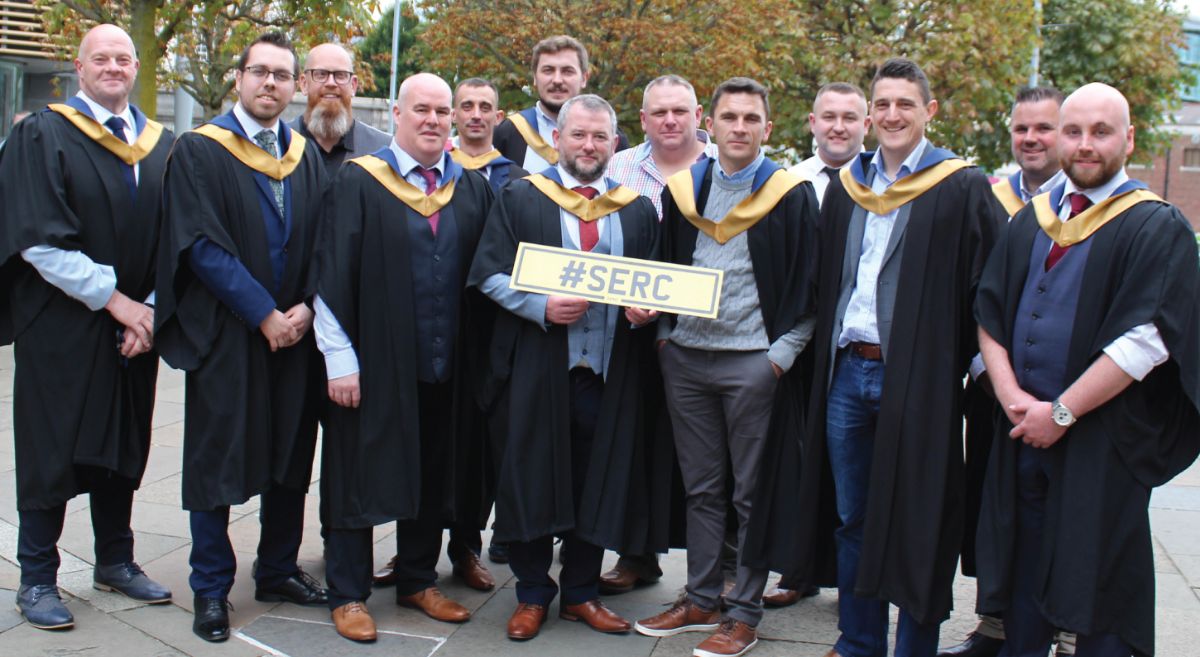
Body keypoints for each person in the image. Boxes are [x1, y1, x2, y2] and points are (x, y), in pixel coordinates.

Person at [974, 82, 1199, 657]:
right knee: (1022, 572)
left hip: (1102, 440)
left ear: (1129, 138)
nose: (1085, 144)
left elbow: (1146, 341)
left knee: (1099, 581)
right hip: (1022, 429)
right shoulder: (1032, 220)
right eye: (1073, 131)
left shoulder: (1156, 225)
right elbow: (989, 311)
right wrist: (1010, 397)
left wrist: (1063, 411)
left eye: (1101, 132)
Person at [788, 58, 1003, 657]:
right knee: (853, 517)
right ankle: (858, 642)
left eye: (905, 104)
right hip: (847, 375)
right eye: (881, 104)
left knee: (918, 519)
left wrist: (977, 374)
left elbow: (989, 291)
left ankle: (914, 646)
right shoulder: (847, 189)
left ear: (929, 111)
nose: (891, 115)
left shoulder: (961, 187)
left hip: (922, 382)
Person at [633, 77, 819, 657]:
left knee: (751, 494)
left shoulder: (789, 194)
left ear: (768, 127)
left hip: (752, 364)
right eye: (730, 117)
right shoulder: (685, 189)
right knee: (702, 489)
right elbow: (663, 267)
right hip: (686, 360)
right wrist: (665, 338)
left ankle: (745, 611)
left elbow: (811, 286)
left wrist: (778, 359)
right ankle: (702, 595)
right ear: (709, 126)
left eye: (751, 118)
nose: (740, 128)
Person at [155, 31, 329, 643]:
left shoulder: (304, 155)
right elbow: (200, 244)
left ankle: (279, 567)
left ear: (295, 85)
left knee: (289, 457)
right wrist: (263, 313)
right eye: (261, 72)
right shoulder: (200, 151)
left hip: (294, 336)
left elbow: (320, 243)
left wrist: (305, 306)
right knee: (218, 461)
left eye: (283, 74)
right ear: (239, 77)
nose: (271, 84)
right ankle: (210, 587)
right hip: (229, 335)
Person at [0, 23, 173, 631]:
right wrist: (119, 303)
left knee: (125, 441)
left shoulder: (160, 144)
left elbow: (173, 240)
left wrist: (148, 307)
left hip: (136, 328)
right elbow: (38, 241)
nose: (113, 66)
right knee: (51, 447)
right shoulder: (43, 134)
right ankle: (37, 577)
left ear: (134, 67)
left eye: (123, 57)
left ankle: (116, 560)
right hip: (62, 328)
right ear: (80, 67)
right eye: (101, 58)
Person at [468, 93, 659, 641]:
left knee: (597, 479)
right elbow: (488, 273)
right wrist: (540, 306)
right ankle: (531, 593)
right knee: (529, 476)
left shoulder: (636, 209)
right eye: (578, 135)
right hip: (537, 365)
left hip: (608, 371)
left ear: (614, 144)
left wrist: (646, 314)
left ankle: (580, 592)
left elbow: (655, 285)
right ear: (558, 139)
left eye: (600, 137)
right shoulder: (520, 197)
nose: (589, 145)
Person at [314, 72, 496, 641]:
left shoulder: (470, 187)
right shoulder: (358, 181)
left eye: (443, 111)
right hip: (374, 364)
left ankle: (419, 578)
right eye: (422, 109)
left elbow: (489, 274)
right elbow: (327, 276)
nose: (435, 120)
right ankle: (348, 592)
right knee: (355, 472)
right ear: (397, 113)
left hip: (446, 364)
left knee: (432, 471)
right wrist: (339, 359)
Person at [940, 85, 1071, 657]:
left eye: (1044, 127)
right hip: (996, 391)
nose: (1032, 138)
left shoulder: (1094, 206)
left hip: (1068, 397)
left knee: (1068, 515)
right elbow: (973, 292)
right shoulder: (992, 199)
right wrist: (986, 372)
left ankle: (1067, 629)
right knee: (994, 511)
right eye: (1022, 128)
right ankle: (994, 624)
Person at [599, 73, 715, 596]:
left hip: (707, 327)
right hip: (631, 326)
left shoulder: (723, 167)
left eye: (680, 111)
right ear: (641, 120)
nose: (670, 120)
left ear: (698, 116)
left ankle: (721, 567)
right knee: (637, 438)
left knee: (714, 447)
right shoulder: (618, 168)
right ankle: (636, 554)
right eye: (659, 112)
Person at [762, 80, 870, 609]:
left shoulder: (883, 183)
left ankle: (856, 584)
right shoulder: (788, 183)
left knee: (854, 468)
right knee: (802, 462)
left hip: (852, 342)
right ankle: (799, 570)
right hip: (802, 341)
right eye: (829, 117)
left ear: (864, 125)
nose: (838, 126)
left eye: (850, 117)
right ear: (811, 122)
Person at [492, 35, 628, 171]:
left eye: (567, 71)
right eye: (548, 70)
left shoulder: (611, 137)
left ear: (584, 78)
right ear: (535, 77)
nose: (557, 80)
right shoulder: (508, 133)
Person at [290, 43, 391, 178]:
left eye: (340, 75)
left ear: (353, 85)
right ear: (303, 83)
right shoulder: (280, 144)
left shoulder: (383, 151)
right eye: (320, 74)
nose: (331, 83)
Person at [446, 77, 530, 195]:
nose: (476, 115)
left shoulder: (520, 180)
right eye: (467, 107)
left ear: (498, 117)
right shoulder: (438, 172)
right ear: (453, 115)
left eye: (485, 108)